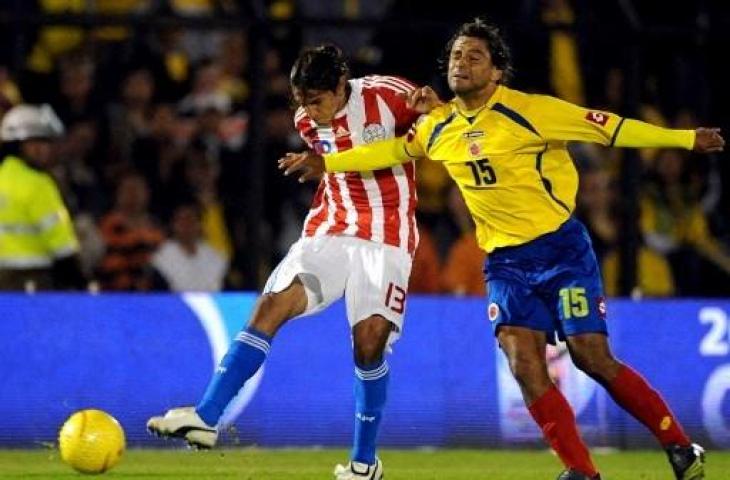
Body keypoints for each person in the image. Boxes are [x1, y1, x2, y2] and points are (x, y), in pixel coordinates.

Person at [279, 18, 725, 480]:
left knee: (590, 355)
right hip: (506, 264)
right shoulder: (439, 126)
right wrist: (327, 162)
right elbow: (390, 153)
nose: (462, 64)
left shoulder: (530, 110)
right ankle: (582, 472)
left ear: (497, 72)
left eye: (474, 57)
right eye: (455, 56)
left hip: (561, 252)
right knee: (523, 363)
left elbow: (608, 127)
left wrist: (685, 139)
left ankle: (678, 445)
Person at [148, 44, 426, 480]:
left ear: (341, 86)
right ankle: (206, 416)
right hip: (330, 228)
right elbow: (334, 163)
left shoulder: (389, 94)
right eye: (302, 102)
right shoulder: (305, 121)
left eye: (317, 101)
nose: (309, 112)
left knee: (368, 343)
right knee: (271, 305)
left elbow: (437, 132)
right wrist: (321, 165)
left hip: (387, 235)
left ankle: (364, 464)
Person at [0, 104, 86, 290]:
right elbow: (61, 245)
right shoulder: (37, 183)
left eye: (47, 143)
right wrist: (81, 282)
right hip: (31, 279)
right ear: (17, 145)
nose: (44, 150)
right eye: (36, 143)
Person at [151, 203, 228, 292]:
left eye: (191, 219)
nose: (186, 225)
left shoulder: (215, 256)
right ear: (172, 225)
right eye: (181, 220)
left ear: (200, 225)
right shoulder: (160, 258)